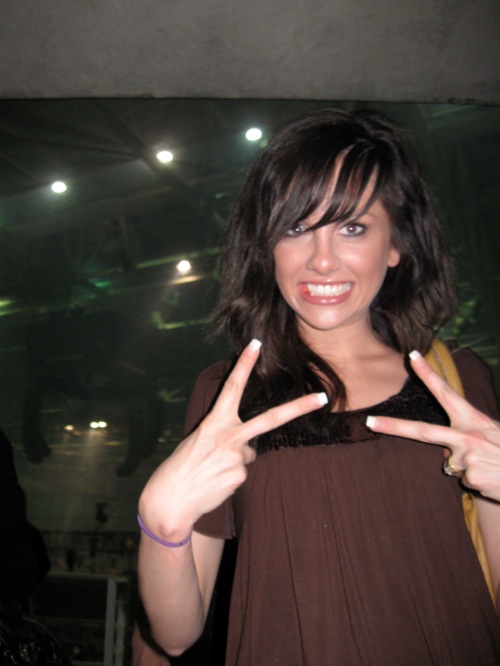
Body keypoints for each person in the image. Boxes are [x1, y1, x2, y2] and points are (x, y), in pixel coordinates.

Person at [137, 108, 500, 664]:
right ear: (267, 247)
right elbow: (177, 634)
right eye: (296, 228)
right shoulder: (228, 396)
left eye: (352, 227)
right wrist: (161, 522)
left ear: (396, 244)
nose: (322, 260)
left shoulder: (458, 382)